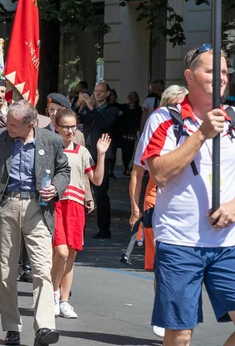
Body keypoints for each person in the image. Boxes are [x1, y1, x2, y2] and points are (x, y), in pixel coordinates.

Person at [140, 45, 235, 346]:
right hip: (180, 243)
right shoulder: (164, 119)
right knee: (180, 335)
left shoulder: (234, 119)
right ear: (189, 75)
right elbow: (159, 174)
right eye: (211, 70)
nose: (220, 77)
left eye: (223, 71)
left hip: (228, 243)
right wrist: (201, 134)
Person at [0, 99, 70, 346]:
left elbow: (64, 171)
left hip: (38, 209)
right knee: (6, 272)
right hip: (6, 207)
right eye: (7, 121)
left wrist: (56, 187)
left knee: (42, 270)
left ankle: (44, 327)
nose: (7, 126)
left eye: (13, 124)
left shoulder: (50, 140)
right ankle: (12, 328)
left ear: (30, 124)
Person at [127, 85, 188, 340]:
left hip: (187, 210)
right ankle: (164, 313)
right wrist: (134, 207)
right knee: (164, 266)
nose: (179, 110)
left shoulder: (195, 127)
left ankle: (171, 315)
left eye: (183, 104)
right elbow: (137, 172)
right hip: (156, 204)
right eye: (174, 105)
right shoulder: (157, 124)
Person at [50, 108, 110, 320]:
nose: (69, 130)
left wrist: (101, 154)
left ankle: (64, 300)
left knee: (71, 254)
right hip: (56, 204)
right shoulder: (51, 148)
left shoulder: (82, 151)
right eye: (65, 127)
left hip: (75, 206)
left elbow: (97, 180)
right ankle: (53, 294)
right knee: (61, 252)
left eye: (73, 126)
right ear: (56, 127)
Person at [78, 82, 120, 239]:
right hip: (86, 152)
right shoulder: (90, 110)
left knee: (101, 192)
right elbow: (75, 119)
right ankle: (80, 227)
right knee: (82, 189)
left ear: (108, 94)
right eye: (95, 91)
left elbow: (105, 124)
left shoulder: (112, 111)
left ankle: (104, 229)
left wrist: (91, 107)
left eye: (101, 92)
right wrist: (80, 105)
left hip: (102, 155)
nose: (97, 94)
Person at [119, 91, 142, 176]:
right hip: (124, 131)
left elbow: (138, 119)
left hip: (132, 132)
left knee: (131, 150)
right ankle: (125, 168)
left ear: (136, 98)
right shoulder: (124, 106)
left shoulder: (138, 108)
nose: (131, 97)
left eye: (133, 96)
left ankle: (128, 166)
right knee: (124, 150)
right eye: (130, 96)